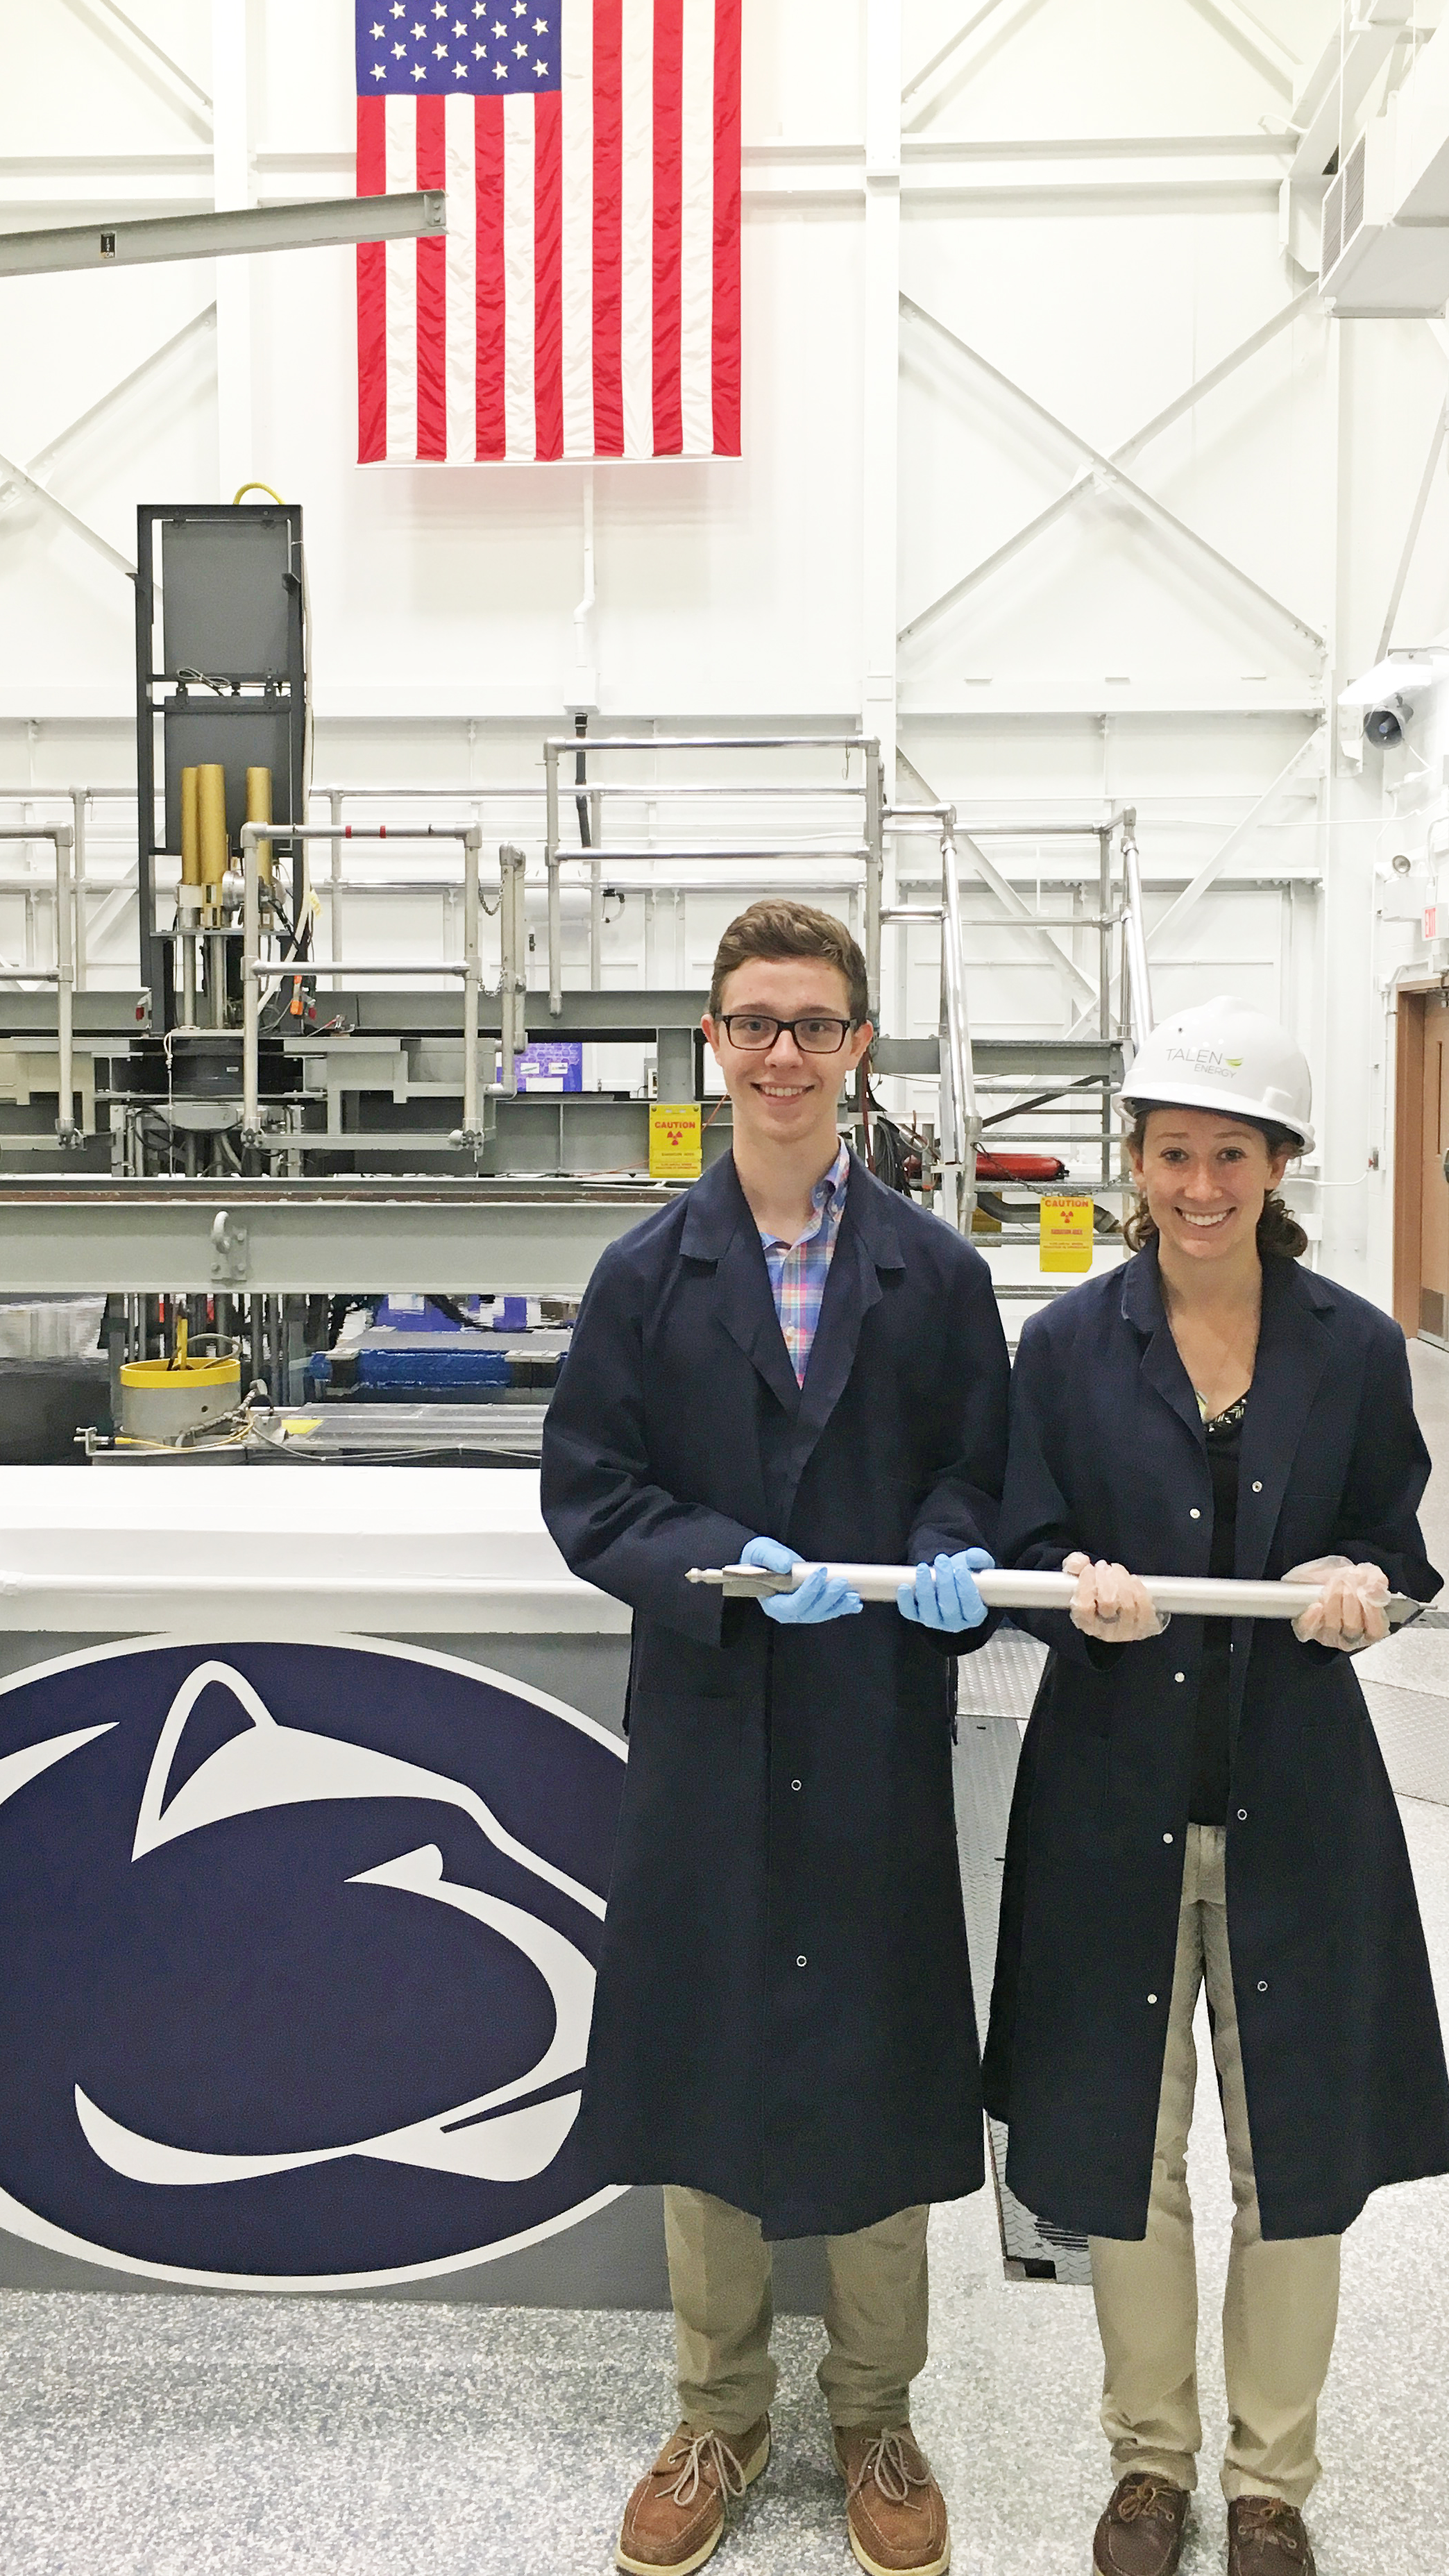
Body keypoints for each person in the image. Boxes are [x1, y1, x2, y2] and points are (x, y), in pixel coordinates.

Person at [542, 899, 1009, 2576]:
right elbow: (591, 1494)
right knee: (708, 2057)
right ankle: (719, 2409)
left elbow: (982, 1465)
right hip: (718, 1720)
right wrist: (725, 1574)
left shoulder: (938, 1272)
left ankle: (876, 2413)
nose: (786, 1052)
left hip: (874, 1715)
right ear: (716, 1048)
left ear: (859, 1045)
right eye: (755, 1022)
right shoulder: (642, 1275)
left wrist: (953, 1553)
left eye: (815, 1022)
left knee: (881, 2057)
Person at [982, 997, 1449, 2576]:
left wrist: (1361, 1578)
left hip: (1296, 1791)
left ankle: (1271, 2477)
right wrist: (1070, 1579)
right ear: (1136, 1162)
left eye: (1229, 1155)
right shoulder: (1062, 1343)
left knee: (1291, 2148)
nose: (1198, 1184)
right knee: (1126, 2139)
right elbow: (1016, 1545)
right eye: (1173, 1152)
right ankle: (1147, 2460)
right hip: (1113, 1781)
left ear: (1279, 1165)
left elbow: (1406, 1543)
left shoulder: (1355, 1345)